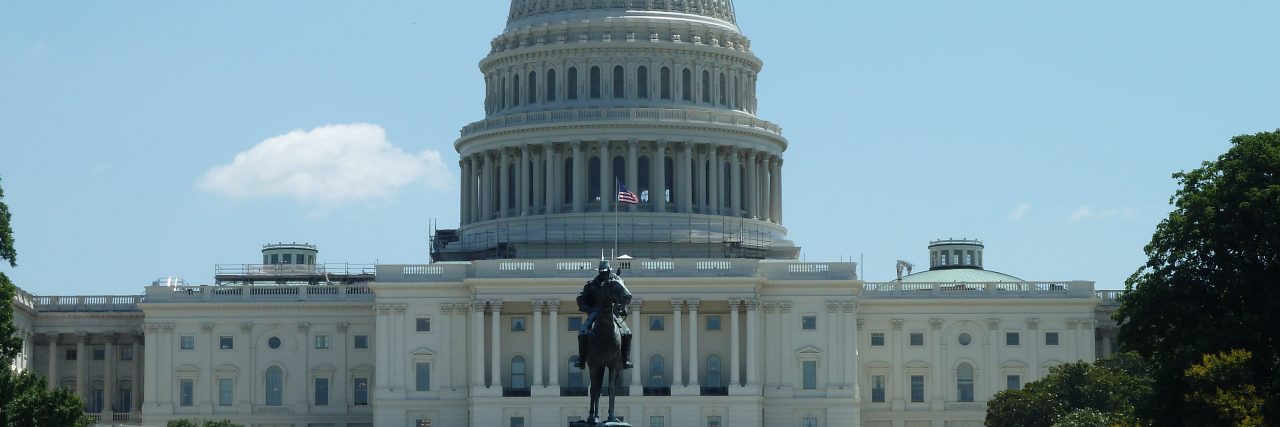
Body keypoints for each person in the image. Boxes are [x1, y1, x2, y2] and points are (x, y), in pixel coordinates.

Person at [574, 259, 634, 369]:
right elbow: (581, 299)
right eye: (602, 272)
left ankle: (626, 359)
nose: (603, 274)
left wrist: (621, 307)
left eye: (605, 272)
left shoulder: (615, 282)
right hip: (596, 311)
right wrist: (589, 309)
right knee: (582, 332)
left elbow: (623, 296)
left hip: (613, 312)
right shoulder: (591, 284)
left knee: (627, 333)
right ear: (599, 272)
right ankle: (581, 359)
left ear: (609, 271)